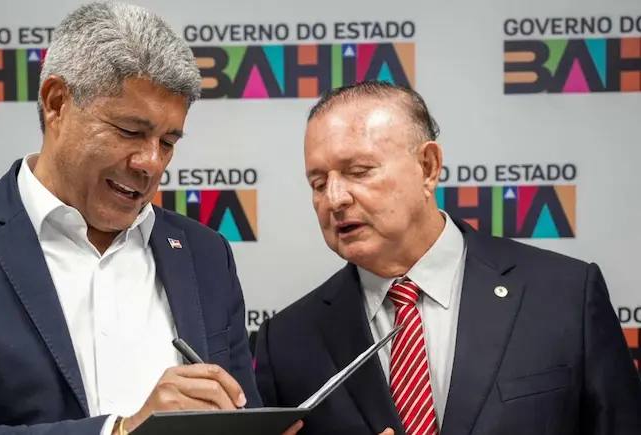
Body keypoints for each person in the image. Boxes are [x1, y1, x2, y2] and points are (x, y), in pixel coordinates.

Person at [0, 2, 302, 435]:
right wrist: (121, 431)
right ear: (57, 103)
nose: (151, 162)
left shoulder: (205, 253)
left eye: (168, 142)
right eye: (130, 131)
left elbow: (239, 413)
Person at [253, 80, 641, 435]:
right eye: (319, 183)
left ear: (428, 167)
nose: (335, 198)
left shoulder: (565, 296)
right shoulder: (285, 342)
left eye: (358, 171)